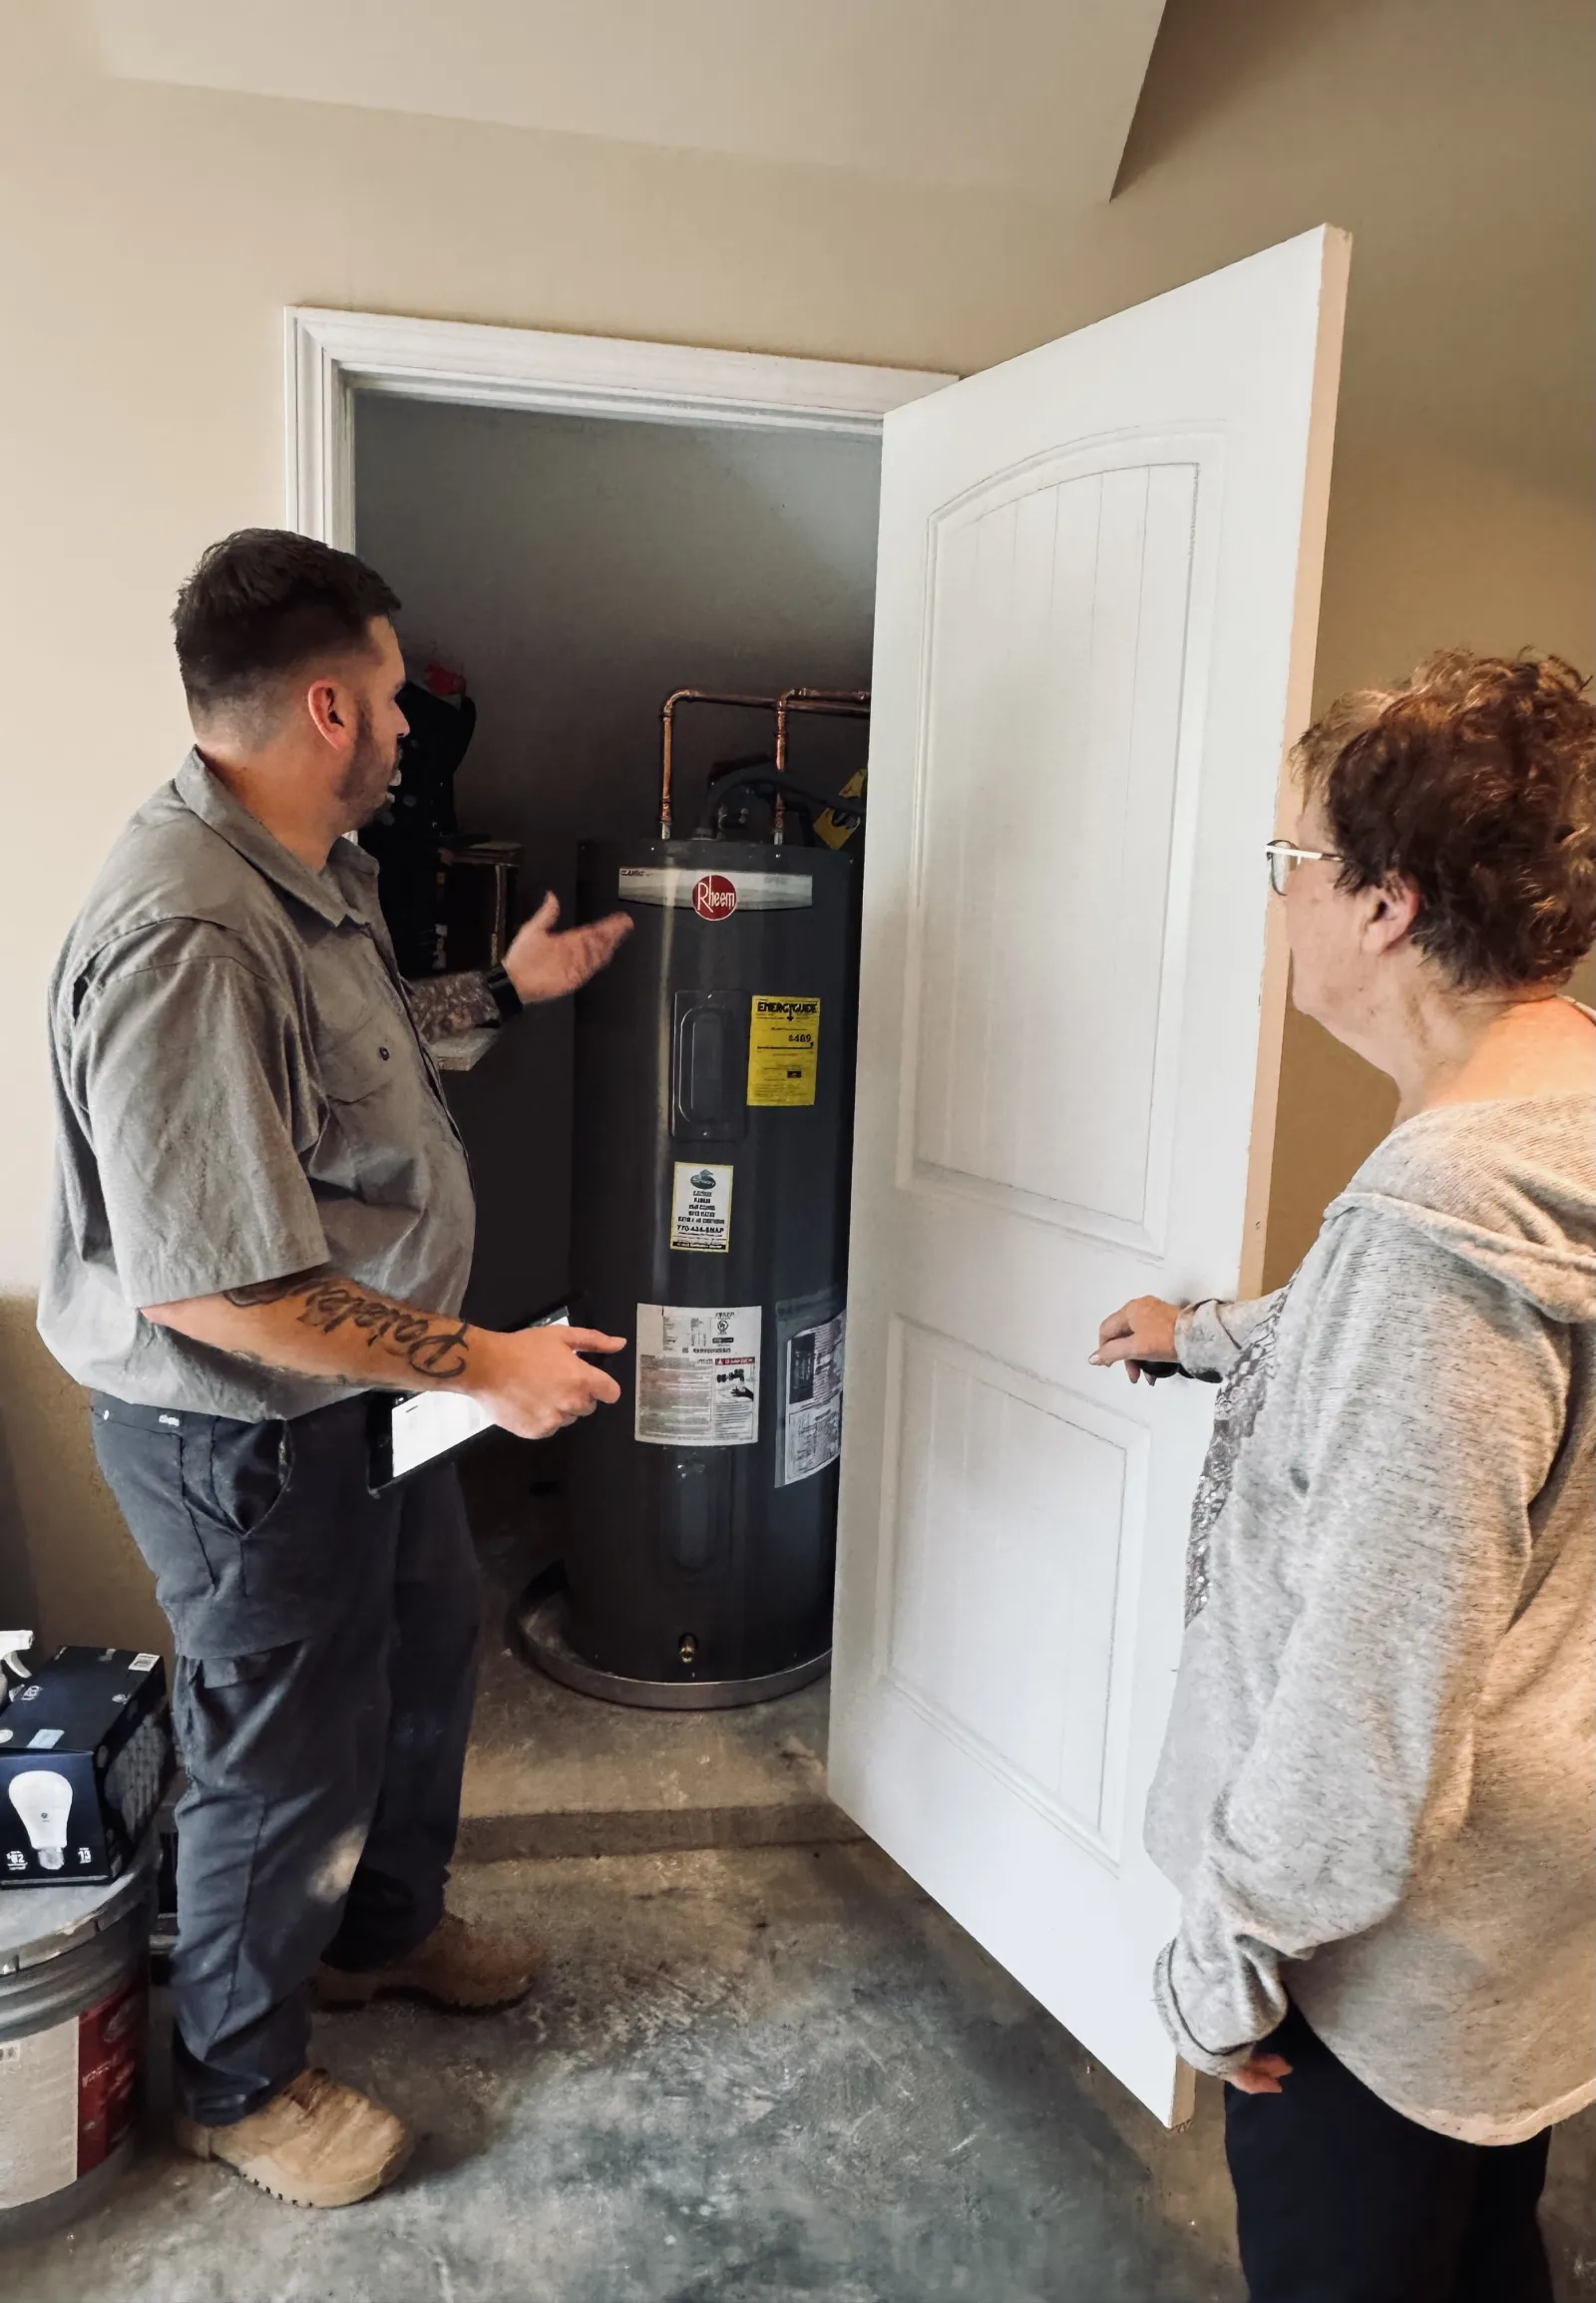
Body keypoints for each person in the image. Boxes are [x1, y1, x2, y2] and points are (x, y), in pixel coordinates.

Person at [38, 529, 634, 2208]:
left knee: (425, 1653)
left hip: (363, 1398)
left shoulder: (308, 868)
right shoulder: (186, 930)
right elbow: (214, 1289)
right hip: (242, 1434)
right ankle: (240, 2082)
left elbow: (341, 1064)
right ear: (326, 707)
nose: (404, 725)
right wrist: (487, 1362)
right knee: (282, 1748)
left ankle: (379, 1935)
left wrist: (503, 991)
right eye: (388, 695)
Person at [1092, 650, 1594, 2303]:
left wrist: (1222, 1970)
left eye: (1288, 859)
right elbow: (1433, 1375)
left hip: (1386, 1961)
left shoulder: (1434, 1243)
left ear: (1385, 905)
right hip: (1536, 1901)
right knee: (1487, 2250)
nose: (1281, 896)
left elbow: (1368, 1705)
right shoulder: (1556, 1125)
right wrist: (1211, 1338)